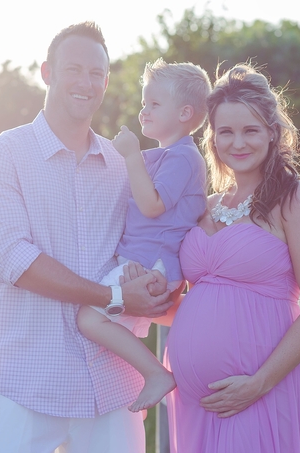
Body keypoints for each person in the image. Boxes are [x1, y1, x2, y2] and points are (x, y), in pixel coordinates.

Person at [0, 22, 173, 453]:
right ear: (47, 72)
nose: (86, 82)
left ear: (107, 82)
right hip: (27, 379)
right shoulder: (1, 155)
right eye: (74, 69)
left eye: (97, 73)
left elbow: (156, 236)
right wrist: (113, 296)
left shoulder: (123, 166)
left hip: (112, 383)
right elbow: (16, 260)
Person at [164, 63, 300, 452]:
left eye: (251, 130)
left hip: (256, 393)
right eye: (226, 131)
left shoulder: (294, 200)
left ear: (273, 134)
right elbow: (185, 299)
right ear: (212, 139)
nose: (238, 142)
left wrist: (258, 383)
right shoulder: (203, 205)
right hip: (193, 402)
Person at [76, 58, 210, 414]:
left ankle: (155, 374)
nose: (143, 110)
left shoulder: (183, 158)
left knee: (88, 319)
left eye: (154, 104)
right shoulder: (164, 155)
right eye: (143, 102)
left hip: (152, 268)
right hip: (144, 266)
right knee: (116, 331)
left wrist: (132, 155)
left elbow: (152, 206)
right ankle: (131, 395)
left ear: (184, 113)